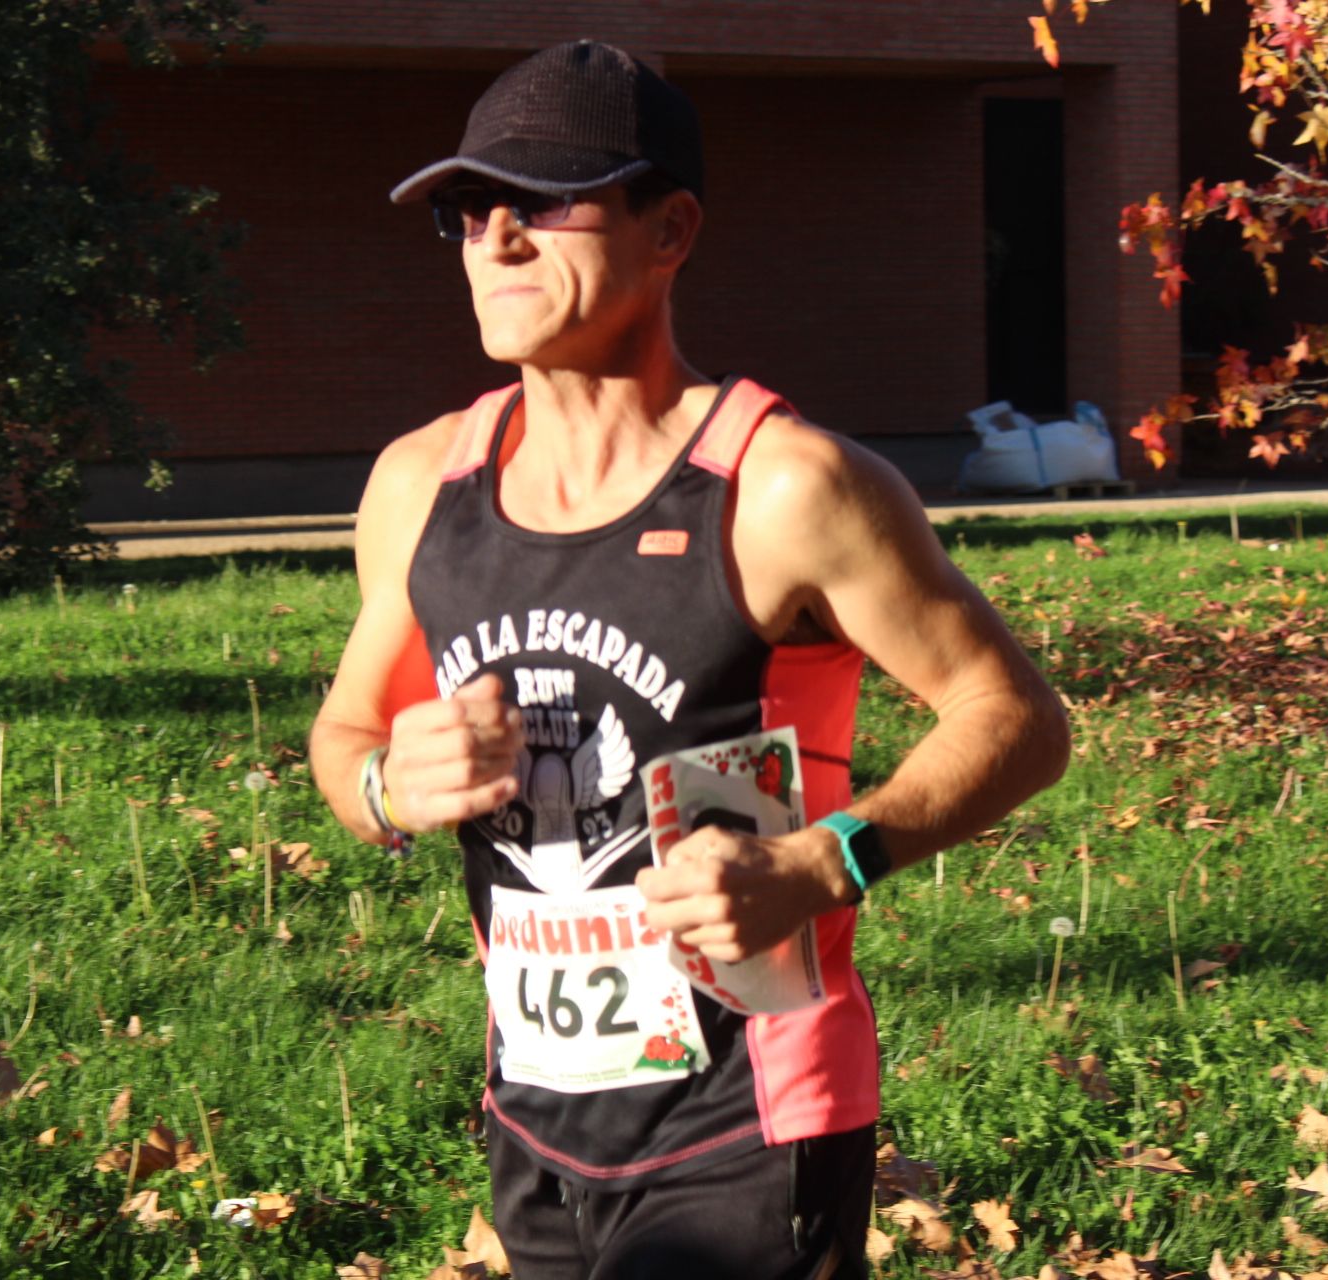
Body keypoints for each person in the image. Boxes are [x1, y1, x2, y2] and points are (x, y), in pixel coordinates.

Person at [308, 40, 1069, 1280]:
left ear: (672, 229)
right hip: (535, 1106)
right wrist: (394, 785)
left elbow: (1017, 718)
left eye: (545, 200)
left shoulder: (784, 487)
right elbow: (343, 743)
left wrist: (827, 859)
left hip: (750, 1114)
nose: (495, 239)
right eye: (467, 208)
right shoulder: (418, 484)